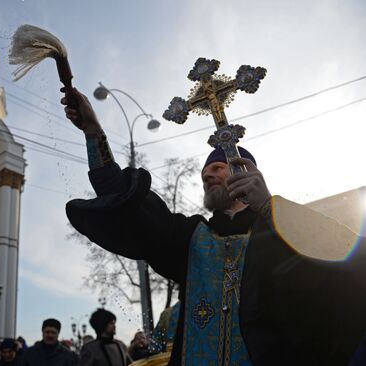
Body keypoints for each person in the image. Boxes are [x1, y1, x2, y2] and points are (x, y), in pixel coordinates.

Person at [61, 88, 366, 366]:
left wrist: (269, 207)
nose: (207, 176)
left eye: (217, 168)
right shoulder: (190, 236)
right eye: (205, 172)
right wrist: (93, 132)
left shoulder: (280, 235)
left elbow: (349, 260)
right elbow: (128, 204)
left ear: (245, 171)